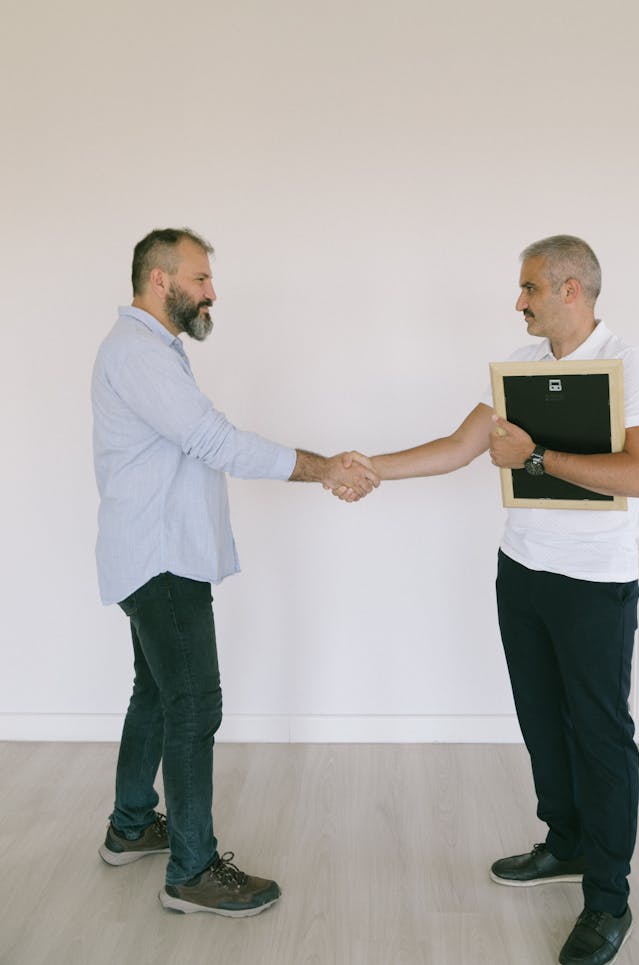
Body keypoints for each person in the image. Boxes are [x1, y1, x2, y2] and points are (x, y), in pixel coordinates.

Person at [334, 235, 639, 965]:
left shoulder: (627, 364)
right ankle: (567, 841)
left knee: (601, 737)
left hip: (595, 584)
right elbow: (459, 446)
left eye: (531, 289)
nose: (519, 301)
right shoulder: (521, 371)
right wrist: (366, 467)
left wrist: (539, 458)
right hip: (522, 572)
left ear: (571, 289)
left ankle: (609, 898)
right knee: (543, 721)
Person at [92, 227, 379, 918]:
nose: (212, 291)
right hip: (159, 559)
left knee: (158, 692)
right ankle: (191, 870)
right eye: (200, 278)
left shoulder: (150, 351)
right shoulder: (139, 353)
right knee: (193, 702)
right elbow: (214, 439)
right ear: (160, 280)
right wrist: (323, 469)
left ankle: (131, 824)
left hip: (155, 553)